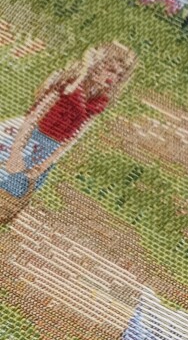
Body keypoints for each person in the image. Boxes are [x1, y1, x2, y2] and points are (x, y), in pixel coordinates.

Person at [0, 40, 137, 224]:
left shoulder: (97, 102)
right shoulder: (69, 87)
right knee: (7, 173)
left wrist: (45, 164)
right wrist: (16, 152)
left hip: (48, 149)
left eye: (119, 75)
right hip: (28, 138)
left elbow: (73, 137)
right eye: (111, 70)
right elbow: (33, 117)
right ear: (96, 66)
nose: (113, 78)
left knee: (16, 191)